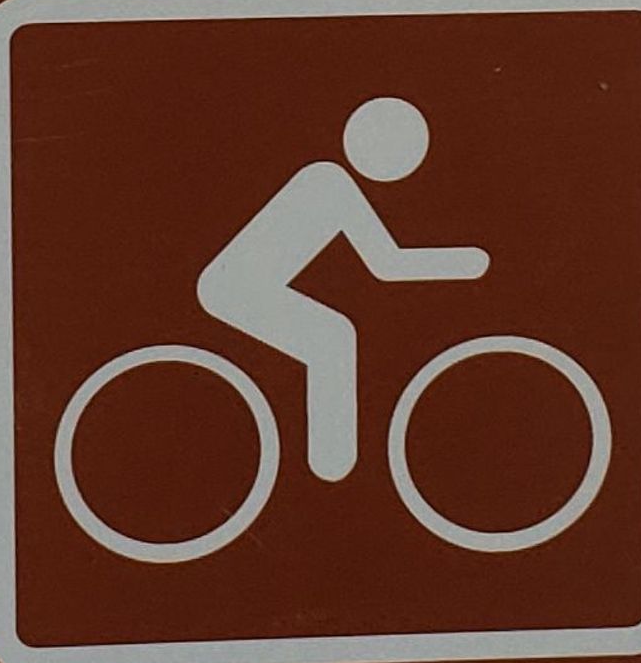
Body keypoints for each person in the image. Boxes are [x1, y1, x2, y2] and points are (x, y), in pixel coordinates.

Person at [194, 96, 486, 482]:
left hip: (242, 287)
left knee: (332, 332)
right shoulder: (329, 182)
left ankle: (329, 462)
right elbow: (385, 264)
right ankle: (331, 463)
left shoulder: (329, 179)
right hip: (236, 290)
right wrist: (467, 263)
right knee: (333, 335)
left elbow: (382, 263)